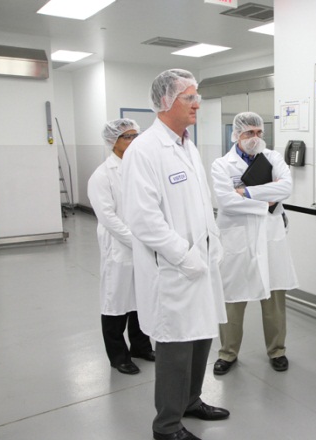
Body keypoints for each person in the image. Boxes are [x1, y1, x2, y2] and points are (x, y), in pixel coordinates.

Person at [121, 69, 229, 440]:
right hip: (173, 269)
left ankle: (191, 401)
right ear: (166, 102)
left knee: (201, 336)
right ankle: (166, 426)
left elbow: (200, 202)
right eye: (189, 97)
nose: (197, 103)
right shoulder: (145, 150)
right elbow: (144, 220)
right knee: (175, 348)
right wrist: (184, 256)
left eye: (197, 96)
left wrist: (213, 241)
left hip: (199, 263)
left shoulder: (187, 144)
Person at [210, 112, 299, 375]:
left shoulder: (273, 158)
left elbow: (286, 188)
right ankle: (227, 353)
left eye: (259, 132)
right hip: (237, 240)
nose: (255, 138)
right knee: (232, 300)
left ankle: (277, 350)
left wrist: (247, 192)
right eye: (249, 133)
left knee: (274, 300)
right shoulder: (221, 165)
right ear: (236, 135)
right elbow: (226, 202)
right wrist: (265, 200)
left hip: (269, 238)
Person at [87, 118, 155, 375]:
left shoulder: (142, 169)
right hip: (119, 250)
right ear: (113, 142)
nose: (134, 141)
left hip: (144, 246)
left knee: (141, 299)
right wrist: (136, 240)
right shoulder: (102, 175)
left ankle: (140, 346)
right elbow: (108, 218)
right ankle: (118, 356)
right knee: (116, 302)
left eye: (136, 135)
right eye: (127, 136)